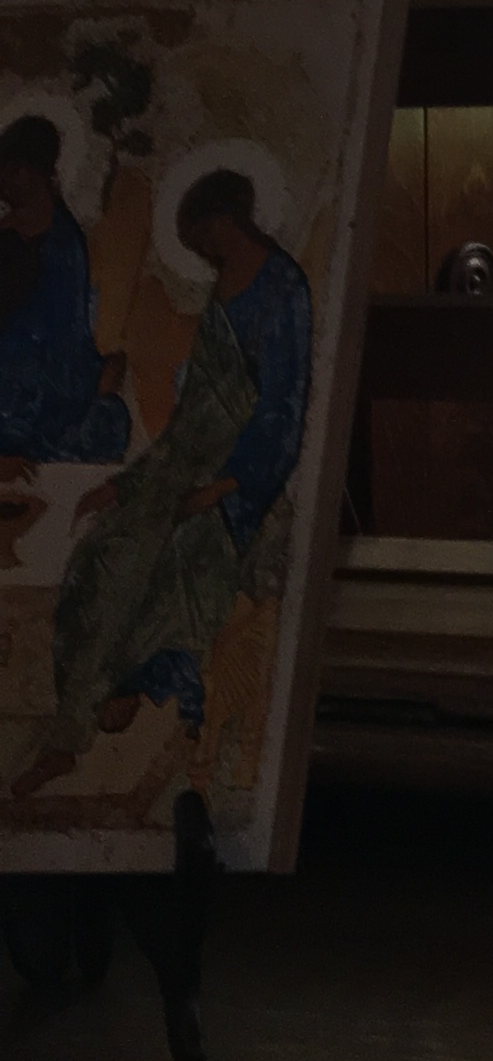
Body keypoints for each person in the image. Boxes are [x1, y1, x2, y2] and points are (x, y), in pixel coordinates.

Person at [12, 166, 311, 802]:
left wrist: (226, 487)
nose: (201, 247)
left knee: (177, 560)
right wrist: (129, 484)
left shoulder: (283, 289)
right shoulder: (220, 295)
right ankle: (78, 724)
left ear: (228, 219)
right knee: (103, 552)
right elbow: (190, 419)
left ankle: (115, 698)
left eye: (203, 232)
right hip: (184, 466)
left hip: (239, 485)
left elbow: (282, 414)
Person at [0, 112, 128, 468]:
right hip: (12, 370)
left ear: (35, 171)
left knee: (103, 423)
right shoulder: (10, 232)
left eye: (13, 170)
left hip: (48, 375)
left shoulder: (62, 240)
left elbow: (66, 329)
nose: (4, 182)